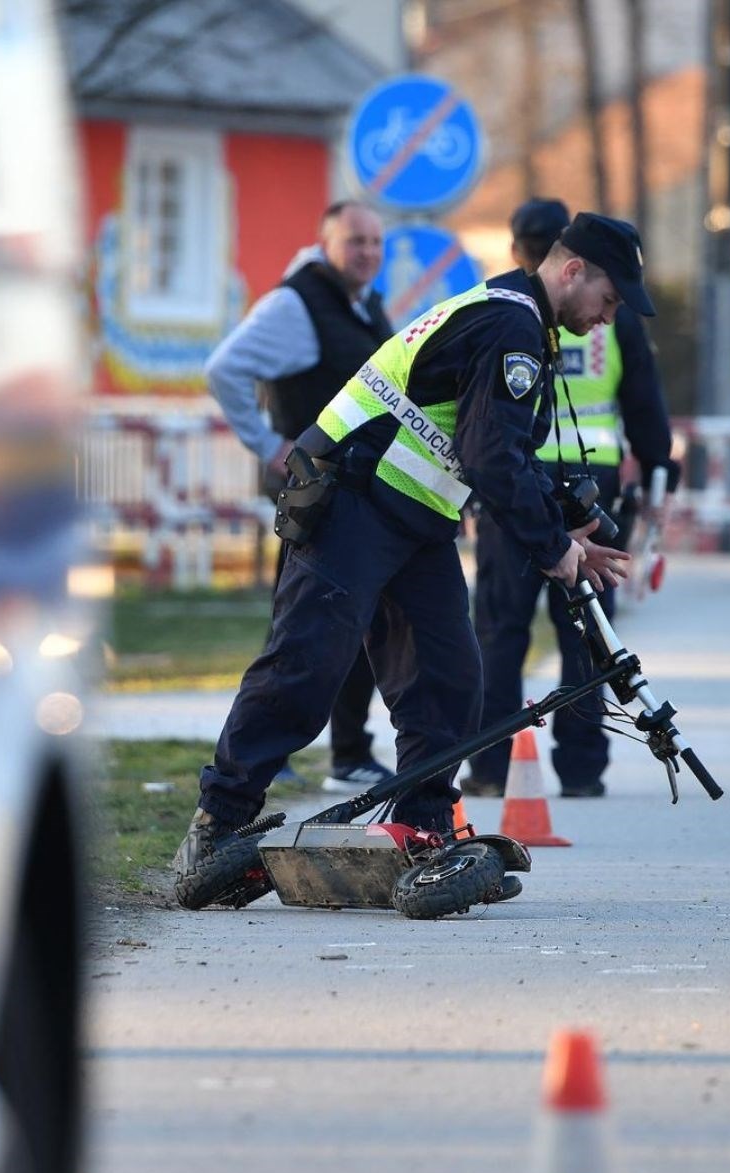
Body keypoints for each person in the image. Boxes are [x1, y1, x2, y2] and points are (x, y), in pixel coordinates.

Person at [174, 211, 651, 907]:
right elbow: (491, 457)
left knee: (448, 677)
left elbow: (496, 448)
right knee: (307, 666)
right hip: (354, 497)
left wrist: (565, 523)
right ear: (573, 270)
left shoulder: (520, 321)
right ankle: (218, 824)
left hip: (412, 514)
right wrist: (555, 552)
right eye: (609, 301)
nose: (608, 319)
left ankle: (422, 832)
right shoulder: (511, 324)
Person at [461, 198, 677, 799]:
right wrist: (660, 471)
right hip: (587, 484)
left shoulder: (511, 308)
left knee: (501, 631)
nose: (605, 315)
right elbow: (645, 403)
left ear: (515, 250)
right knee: (588, 632)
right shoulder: (598, 320)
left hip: (511, 489)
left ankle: (488, 766)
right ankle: (581, 769)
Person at [204, 200, 394, 792]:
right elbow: (224, 369)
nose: (367, 252)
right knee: (301, 626)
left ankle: (347, 751)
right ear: (325, 242)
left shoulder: (361, 303)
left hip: (357, 491)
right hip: (316, 494)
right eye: (355, 241)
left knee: (350, 619)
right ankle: (267, 752)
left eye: (375, 243)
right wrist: (267, 444)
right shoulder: (297, 303)